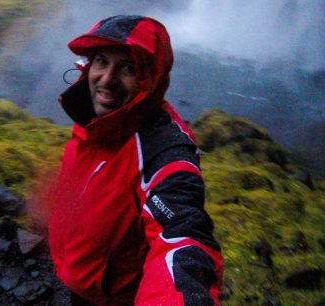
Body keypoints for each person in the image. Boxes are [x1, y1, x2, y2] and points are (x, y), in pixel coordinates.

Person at [49, 15, 223, 305]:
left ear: (151, 79)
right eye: (101, 61)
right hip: (75, 274)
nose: (107, 79)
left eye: (128, 68)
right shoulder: (91, 116)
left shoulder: (163, 149)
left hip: (111, 297)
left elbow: (181, 236)